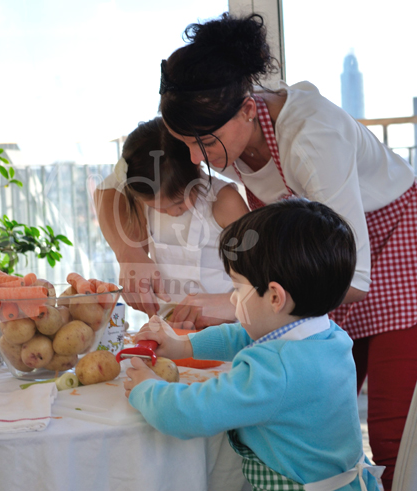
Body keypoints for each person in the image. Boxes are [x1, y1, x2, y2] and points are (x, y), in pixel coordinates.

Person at [102, 13, 417, 489]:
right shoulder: (213, 128)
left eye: (202, 144)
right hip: (316, 269)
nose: (193, 160)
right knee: (302, 427)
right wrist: (131, 254)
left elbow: (351, 278)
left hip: (395, 256)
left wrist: (224, 305)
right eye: (183, 144)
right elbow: (112, 186)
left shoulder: (311, 137)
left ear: (249, 110)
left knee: (397, 438)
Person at [124, 198, 384, 491]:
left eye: (236, 287)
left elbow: (192, 412)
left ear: (275, 297)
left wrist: (146, 388)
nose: (232, 298)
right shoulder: (327, 336)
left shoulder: (274, 370)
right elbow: (244, 336)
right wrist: (184, 346)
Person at [105, 117, 247, 324]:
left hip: (228, 332)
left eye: (179, 201)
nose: (171, 212)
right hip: (171, 331)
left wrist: (229, 303)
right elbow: (103, 191)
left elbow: (260, 280)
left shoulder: (225, 202)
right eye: (157, 207)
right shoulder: (142, 199)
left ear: (196, 169)